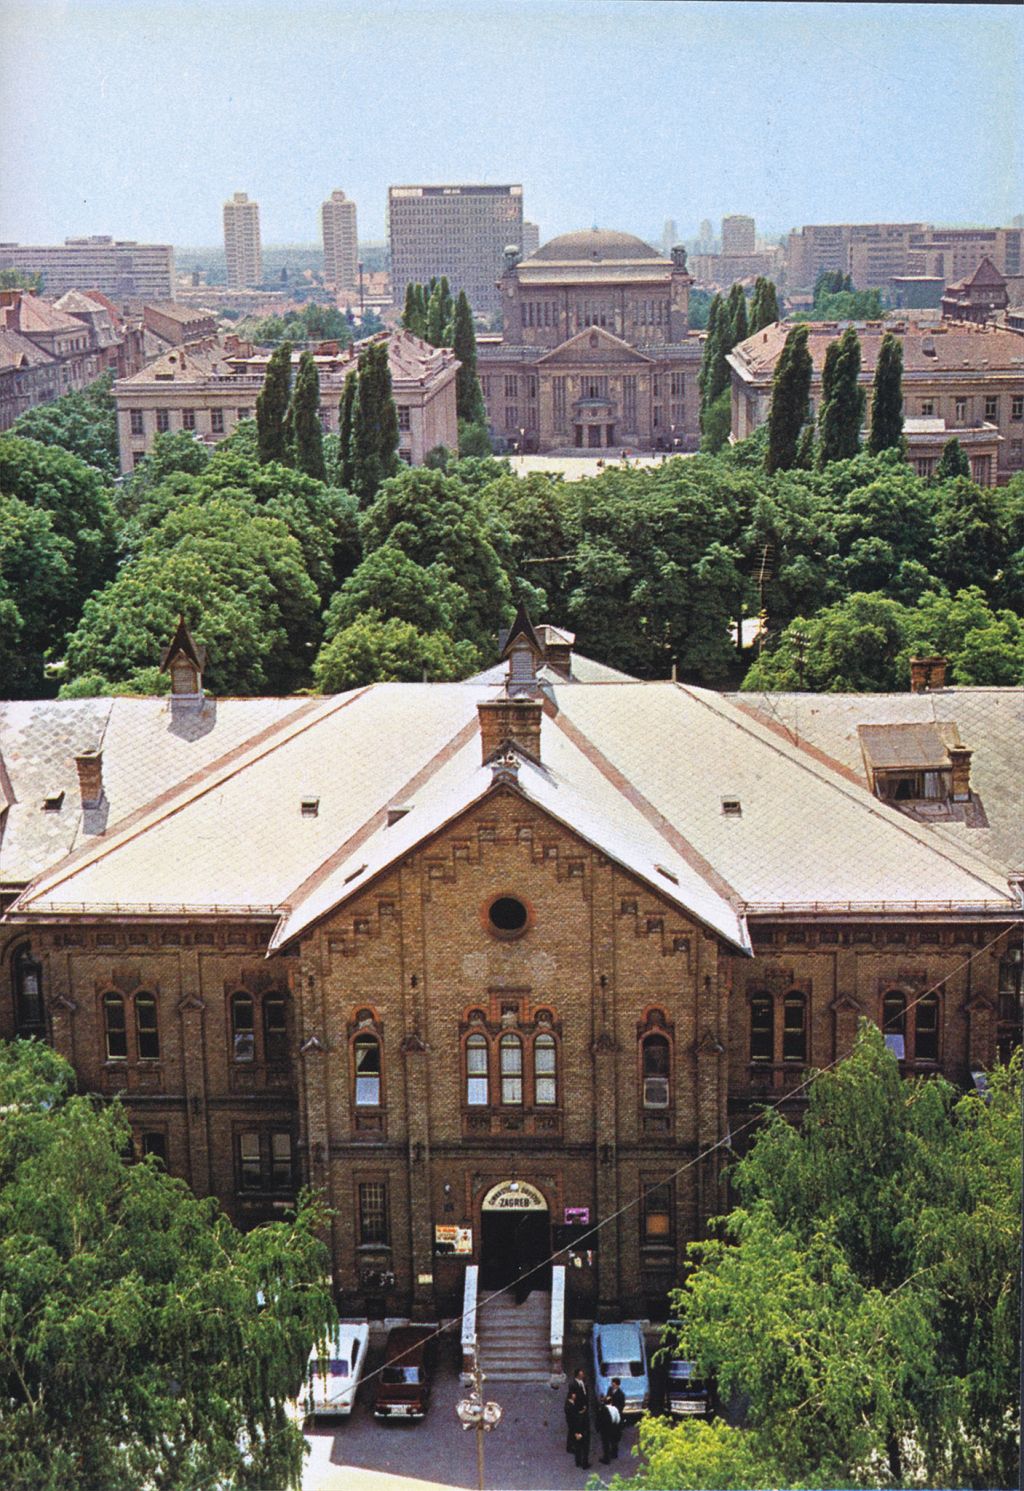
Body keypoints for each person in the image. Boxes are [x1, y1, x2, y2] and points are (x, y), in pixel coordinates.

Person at [564, 1368, 591, 1469]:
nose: (582, 1376)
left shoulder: (583, 1383)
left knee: (577, 1437)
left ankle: (578, 1459)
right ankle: (581, 1460)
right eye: (580, 1374)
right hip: (579, 1414)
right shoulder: (573, 1385)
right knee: (581, 1439)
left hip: (582, 1410)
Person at [598, 1377, 626, 1462]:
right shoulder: (610, 1389)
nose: (612, 1385)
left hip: (614, 1416)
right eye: (612, 1384)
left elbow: (621, 1406)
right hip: (608, 1414)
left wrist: (614, 1409)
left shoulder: (621, 1394)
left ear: (617, 1385)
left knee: (614, 1437)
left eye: (614, 1384)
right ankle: (610, 1452)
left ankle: (614, 1452)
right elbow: (608, 1397)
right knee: (609, 1437)